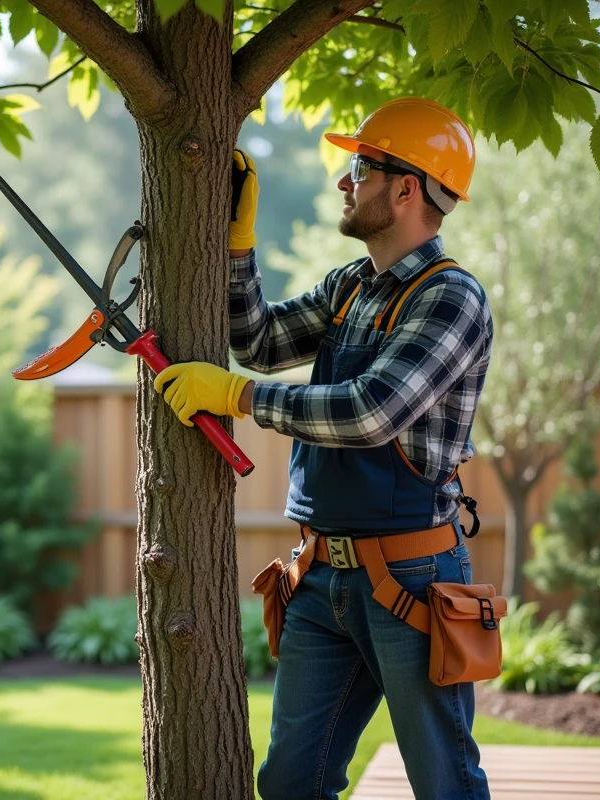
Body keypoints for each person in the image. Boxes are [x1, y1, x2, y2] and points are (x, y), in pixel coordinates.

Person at [153, 97, 494, 799]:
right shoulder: (352, 287)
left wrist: (238, 396)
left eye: (360, 169)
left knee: (444, 783)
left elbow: (372, 411)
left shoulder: (451, 297)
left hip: (413, 578)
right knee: (289, 784)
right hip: (320, 577)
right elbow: (261, 342)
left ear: (406, 188)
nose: (345, 181)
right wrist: (236, 245)